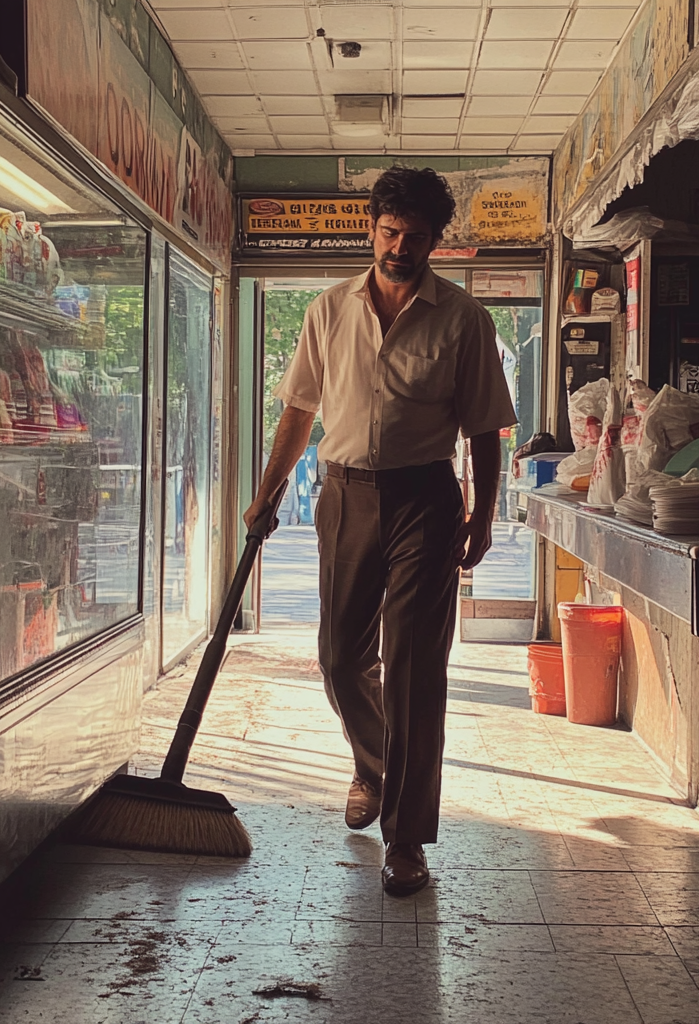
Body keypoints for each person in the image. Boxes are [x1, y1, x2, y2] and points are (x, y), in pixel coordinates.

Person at [243, 166, 516, 896]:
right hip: (345, 496)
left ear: (434, 241)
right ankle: (375, 766)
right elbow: (299, 413)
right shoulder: (328, 310)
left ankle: (407, 839)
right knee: (338, 657)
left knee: (416, 672)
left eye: (416, 237)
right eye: (390, 232)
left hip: (426, 500)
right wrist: (266, 493)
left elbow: (486, 429)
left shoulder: (463, 320)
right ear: (372, 228)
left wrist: (482, 516)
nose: (400, 247)